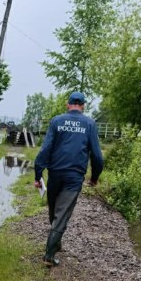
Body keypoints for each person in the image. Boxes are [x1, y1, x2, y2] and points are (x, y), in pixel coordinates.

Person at [34, 91, 104, 266]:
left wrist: (38, 173)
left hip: (55, 174)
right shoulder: (89, 124)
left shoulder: (57, 121)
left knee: (55, 211)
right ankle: (49, 256)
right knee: (62, 213)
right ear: (83, 106)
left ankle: (55, 244)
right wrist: (94, 177)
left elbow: (45, 149)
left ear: (68, 104)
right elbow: (97, 156)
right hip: (74, 177)